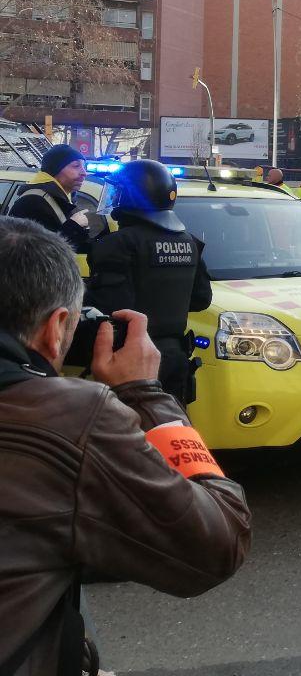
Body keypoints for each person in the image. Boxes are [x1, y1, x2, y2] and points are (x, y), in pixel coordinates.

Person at [0, 217, 251, 676]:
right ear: (57, 328)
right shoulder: (72, 419)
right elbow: (219, 541)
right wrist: (146, 394)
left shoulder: (116, 242)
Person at [85, 160, 212, 405]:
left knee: (128, 436)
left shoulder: (117, 244)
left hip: (130, 360)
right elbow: (201, 299)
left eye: (118, 192)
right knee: (169, 432)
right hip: (176, 358)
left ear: (129, 197)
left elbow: (109, 305)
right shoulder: (190, 241)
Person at [7, 144, 91, 252]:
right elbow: (35, 254)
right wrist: (74, 227)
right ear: (55, 169)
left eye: (84, 167)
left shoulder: (62, 199)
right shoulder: (33, 202)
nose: (84, 173)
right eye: (76, 166)